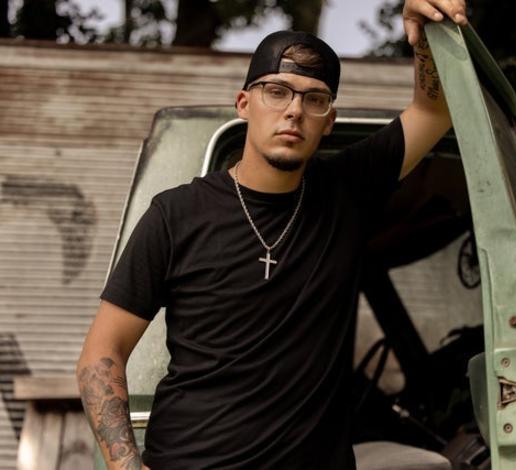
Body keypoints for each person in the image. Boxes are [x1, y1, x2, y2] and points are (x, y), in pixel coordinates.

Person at [77, 1, 467, 468]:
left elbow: (434, 110)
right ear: (244, 103)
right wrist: (125, 466)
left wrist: (428, 32)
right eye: (277, 92)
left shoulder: (346, 194)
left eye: (314, 99)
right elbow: (102, 353)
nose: (294, 110)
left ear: (329, 121)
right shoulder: (176, 214)